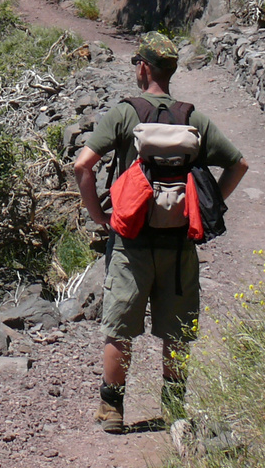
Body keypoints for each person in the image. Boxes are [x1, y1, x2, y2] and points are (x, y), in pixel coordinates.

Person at [71, 32, 249, 434]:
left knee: (121, 327)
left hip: (131, 239)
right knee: (177, 327)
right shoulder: (193, 117)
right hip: (179, 240)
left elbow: (84, 166)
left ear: (143, 67)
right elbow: (238, 164)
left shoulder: (124, 114)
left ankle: (112, 411)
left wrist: (99, 213)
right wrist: (206, 205)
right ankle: (173, 410)